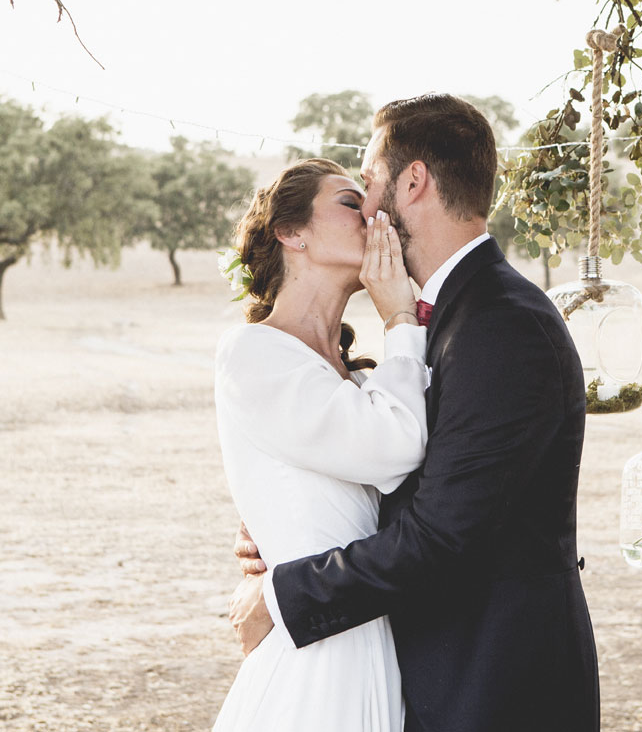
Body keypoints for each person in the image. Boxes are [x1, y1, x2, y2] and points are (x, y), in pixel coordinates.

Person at [232, 94, 600, 732]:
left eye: (369, 185)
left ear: (413, 181)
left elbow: (443, 534)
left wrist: (286, 591)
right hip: (432, 678)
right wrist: (291, 518)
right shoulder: (453, 319)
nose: (368, 207)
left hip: (495, 691)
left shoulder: (502, 326)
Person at [212, 157, 430, 731]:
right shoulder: (252, 354)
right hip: (315, 657)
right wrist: (401, 318)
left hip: (370, 642)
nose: (373, 213)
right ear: (291, 233)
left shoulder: (359, 381)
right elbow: (398, 446)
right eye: (351, 202)